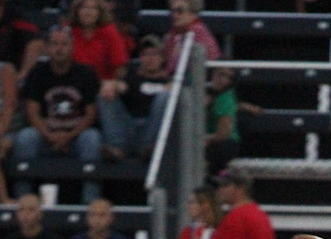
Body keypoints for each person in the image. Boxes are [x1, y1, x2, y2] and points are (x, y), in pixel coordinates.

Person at [14, 24, 102, 206]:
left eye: (64, 44)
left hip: (76, 138)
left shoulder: (86, 73)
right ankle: (23, 200)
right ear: (46, 47)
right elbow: (32, 110)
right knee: (25, 138)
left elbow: (90, 114)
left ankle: (89, 201)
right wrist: (50, 136)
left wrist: (68, 136)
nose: (59, 49)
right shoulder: (38, 73)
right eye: (54, 44)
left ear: (72, 46)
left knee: (92, 138)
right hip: (46, 137)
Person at [66, 0, 131, 159]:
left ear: (100, 11)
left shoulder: (109, 31)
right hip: (73, 87)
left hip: (102, 88)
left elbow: (120, 68)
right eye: (84, 7)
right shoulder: (69, 32)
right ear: (77, 10)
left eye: (93, 8)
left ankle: (117, 146)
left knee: (105, 94)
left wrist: (112, 83)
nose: (88, 12)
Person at [104, 32, 169, 161]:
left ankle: (150, 147)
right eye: (145, 54)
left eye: (154, 54)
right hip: (130, 129)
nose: (150, 59)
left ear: (163, 57)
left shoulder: (170, 82)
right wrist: (113, 86)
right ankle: (118, 147)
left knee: (165, 97)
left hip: (153, 131)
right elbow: (122, 86)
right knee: (104, 93)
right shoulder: (132, 78)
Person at [163, 0, 220, 77]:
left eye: (180, 11)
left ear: (193, 13)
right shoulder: (173, 34)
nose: (174, 15)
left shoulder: (198, 32)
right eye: (172, 11)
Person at [205, 64, 240, 177]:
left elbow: (222, 134)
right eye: (221, 74)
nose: (223, 80)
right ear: (213, 73)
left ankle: (219, 178)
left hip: (223, 142)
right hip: (206, 138)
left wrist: (202, 141)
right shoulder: (203, 92)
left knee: (218, 149)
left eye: (229, 77)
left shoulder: (226, 97)